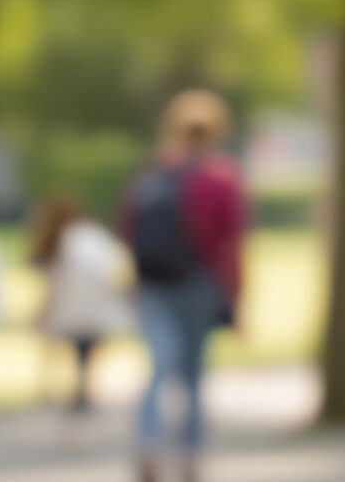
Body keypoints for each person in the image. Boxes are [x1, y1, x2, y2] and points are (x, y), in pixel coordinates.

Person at [120, 89, 245, 482]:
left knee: (158, 367)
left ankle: (149, 442)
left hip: (155, 283)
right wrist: (238, 298)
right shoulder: (221, 177)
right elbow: (232, 243)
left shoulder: (155, 171)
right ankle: (189, 456)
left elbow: (128, 229)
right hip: (200, 282)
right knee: (192, 375)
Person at [27, 191, 132, 413]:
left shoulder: (65, 240)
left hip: (73, 310)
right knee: (84, 354)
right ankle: (80, 394)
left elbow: (56, 284)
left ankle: (74, 395)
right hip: (92, 308)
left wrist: (43, 312)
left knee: (76, 354)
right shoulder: (91, 236)